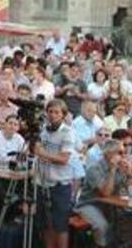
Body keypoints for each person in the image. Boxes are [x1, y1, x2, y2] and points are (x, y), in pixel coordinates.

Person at [75, 139, 132, 247]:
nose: (124, 154)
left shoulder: (120, 167)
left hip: (110, 205)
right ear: (109, 154)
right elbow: (106, 193)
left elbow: (126, 191)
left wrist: (130, 175)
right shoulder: (94, 168)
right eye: (120, 152)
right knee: (102, 226)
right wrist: (112, 170)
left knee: (128, 220)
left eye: (125, 152)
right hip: (89, 203)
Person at [34, 99, 75, 248]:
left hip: (60, 185)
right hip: (42, 182)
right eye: (50, 111)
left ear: (63, 115)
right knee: (46, 224)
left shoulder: (68, 132)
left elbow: (64, 159)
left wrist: (42, 153)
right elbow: (34, 151)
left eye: (56, 112)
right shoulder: (43, 129)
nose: (52, 115)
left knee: (60, 225)